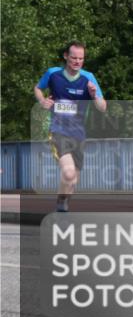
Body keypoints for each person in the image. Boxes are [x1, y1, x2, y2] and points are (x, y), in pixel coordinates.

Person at [34, 42, 107, 212]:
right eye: (74, 57)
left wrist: (94, 95)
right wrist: (42, 100)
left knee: (73, 180)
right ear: (66, 56)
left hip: (79, 133)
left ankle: (63, 201)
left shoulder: (88, 78)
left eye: (81, 58)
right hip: (57, 129)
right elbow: (38, 88)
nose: (77, 61)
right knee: (68, 173)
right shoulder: (53, 74)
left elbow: (103, 107)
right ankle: (61, 203)